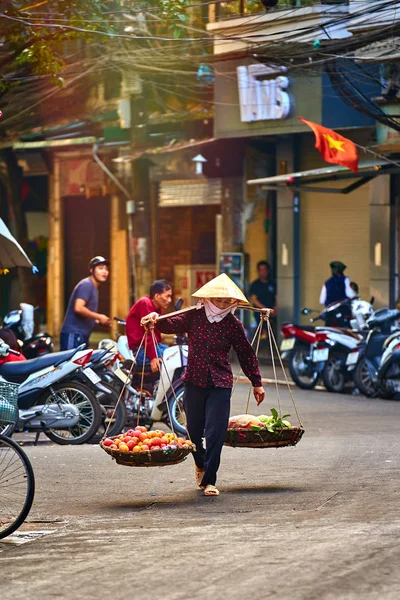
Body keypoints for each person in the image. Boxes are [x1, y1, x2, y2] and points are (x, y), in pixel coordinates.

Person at [141, 273, 265, 497]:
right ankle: (200, 462)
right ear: (208, 298)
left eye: (228, 301)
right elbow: (170, 324)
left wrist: (257, 383)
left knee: (215, 432)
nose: (223, 305)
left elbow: (246, 354)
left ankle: (210, 480)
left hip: (221, 382)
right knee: (194, 432)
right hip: (194, 380)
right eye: (219, 300)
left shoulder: (233, 324)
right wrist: (155, 319)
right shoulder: (194, 316)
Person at [60, 256, 111, 351]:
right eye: (100, 268)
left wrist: (98, 321)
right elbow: (78, 308)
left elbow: (85, 312)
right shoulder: (87, 285)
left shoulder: (93, 287)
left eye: (106, 269)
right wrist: (99, 317)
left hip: (81, 336)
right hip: (73, 334)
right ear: (91, 270)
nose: (104, 272)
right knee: (70, 365)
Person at [126, 280, 172, 373]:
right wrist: (153, 358)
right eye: (167, 296)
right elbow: (149, 334)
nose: (169, 300)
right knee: (171, 360)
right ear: (157, 296)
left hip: (154, 347)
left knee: (176, 355)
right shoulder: (145, 303)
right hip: (141, 350)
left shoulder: (157, 308)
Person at [249, 260, 277, 339]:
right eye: (260, 270)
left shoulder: (273, 283)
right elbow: (254, 299)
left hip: (273, 312)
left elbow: (277, 297)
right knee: (263, 331)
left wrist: (275, 308)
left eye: (264, 270)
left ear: (268, 270)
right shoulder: (255, 284)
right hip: (260, 312)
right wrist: (264, 309)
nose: (263, 272)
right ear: (258, 271)